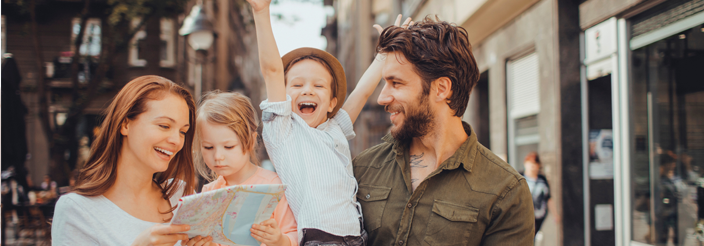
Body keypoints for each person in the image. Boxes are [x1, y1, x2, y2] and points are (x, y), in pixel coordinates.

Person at [352, 17, 535, 246]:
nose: (382, 98)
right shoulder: (362, 169)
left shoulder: (505, 191)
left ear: (441, 89)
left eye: (396, 83)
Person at [245, 0, 398, 244]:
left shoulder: (334, 128)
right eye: (297, 85)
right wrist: (261, 12)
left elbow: (361, 93)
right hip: (321, 239)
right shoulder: (283, 132)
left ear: (331, 103)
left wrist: (383, 55)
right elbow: (272, 71)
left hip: (358, 238)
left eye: (318, 86)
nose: (307, 90)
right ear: (283, 98)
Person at [51, 76, 212, 246]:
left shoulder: (181, 196)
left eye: (182, 132)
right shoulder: (77, 210)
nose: (176, 141)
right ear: (125, 124)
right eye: (164, 126)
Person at [195, 91, 298, 246]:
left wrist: (280, 240)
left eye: (228, 147)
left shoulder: (272, 185)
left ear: (250, 141)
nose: (218, 156)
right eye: (208, 147)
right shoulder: (209, 192)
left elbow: (295, 233)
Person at [521, 152, 559, 235]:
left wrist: (555, 214)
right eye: (530, 163)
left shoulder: (542, 179)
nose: (533, 166)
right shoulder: (519, 177)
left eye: (535, 163)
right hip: (523, 216)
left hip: (539, 215)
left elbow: (548, 197)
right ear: (525, 164)